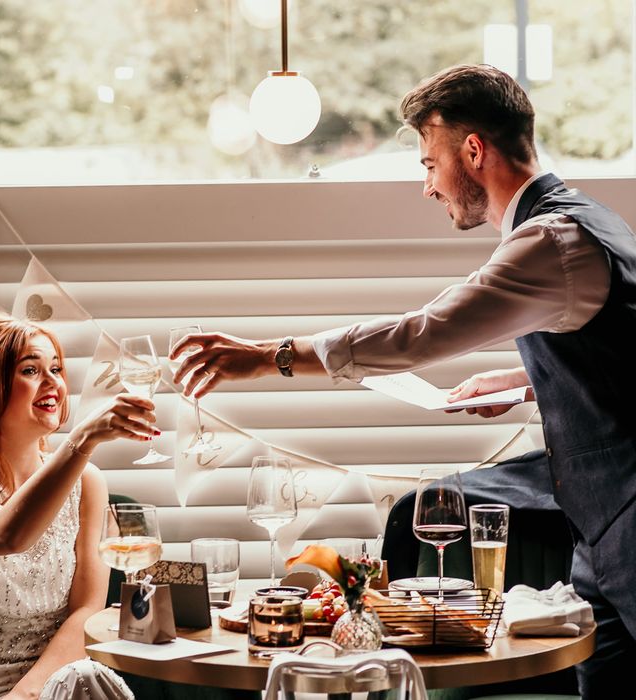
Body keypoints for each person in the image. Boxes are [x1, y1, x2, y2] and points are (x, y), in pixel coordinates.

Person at [171, 64, 636, 698]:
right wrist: (525, 380)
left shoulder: (549, 242)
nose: (428, 186)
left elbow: (420, 334)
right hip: (601, 528)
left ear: (473, 151)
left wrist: (266, 356)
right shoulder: (592, 223)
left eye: (428, 163)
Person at [0, 312, 159, 699]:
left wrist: (29, 696)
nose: (54, 383)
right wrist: (83, 439)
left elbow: (86, 612)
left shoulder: (87, 483)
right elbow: (6, 533)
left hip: (62, 684)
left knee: (87, 677)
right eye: (31, 370)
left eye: (56, 368)